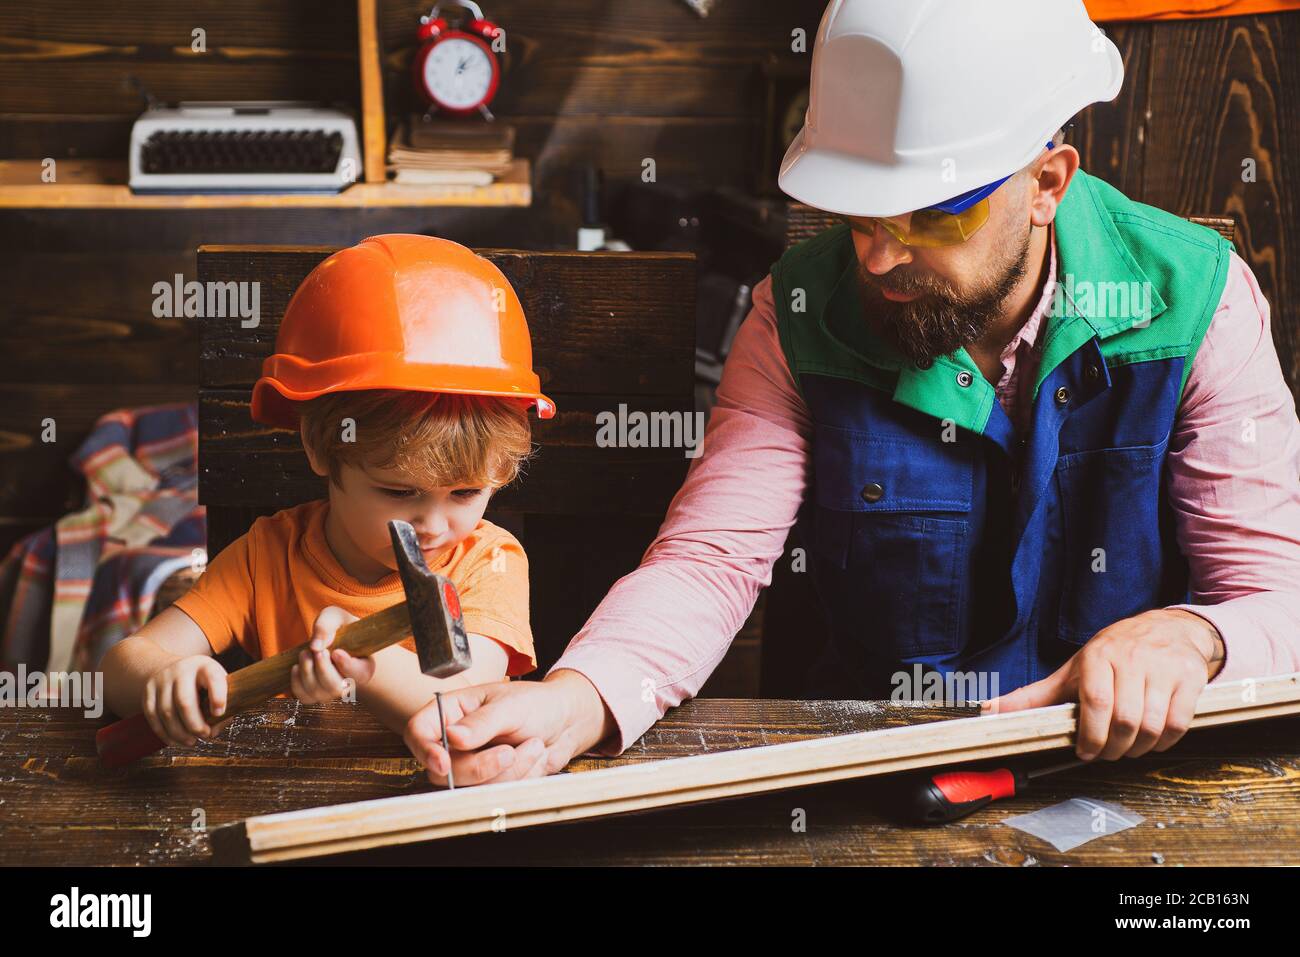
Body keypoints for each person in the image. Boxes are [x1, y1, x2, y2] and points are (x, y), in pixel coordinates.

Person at [403, 0, 1300, 786]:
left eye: (933, 214)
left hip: (1137, 783)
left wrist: (1193, 638)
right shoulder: (796, 313)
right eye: (861, 214)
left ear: (1046, 184)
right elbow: (710, 561)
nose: (877, 256)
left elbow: (1279, 596)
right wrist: (577, 700)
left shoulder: (1200, 303)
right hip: (869, 780)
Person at [101, 234, 553, 747]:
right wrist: (165, 681)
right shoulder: (268, 556)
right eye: (399, 493)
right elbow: (121, 666)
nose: (432, 525)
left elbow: (468, 711)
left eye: (466, 494)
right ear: (323, 451)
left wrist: (363, 660)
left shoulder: (488, 563)